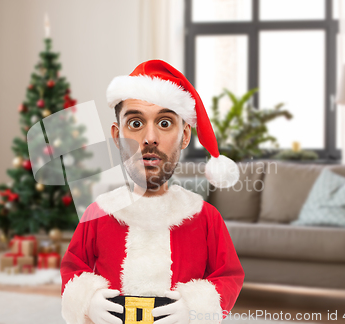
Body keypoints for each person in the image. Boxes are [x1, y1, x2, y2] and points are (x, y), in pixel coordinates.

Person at [60, 59, 244, 324]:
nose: (150, 138)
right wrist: (87, 301)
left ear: (185, 135)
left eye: (165, 123)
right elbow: (73, 268)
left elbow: (229, 277)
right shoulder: (98, 214)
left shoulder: (206, 218)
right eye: (135, 124)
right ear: (116, 136)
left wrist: (197, 308)